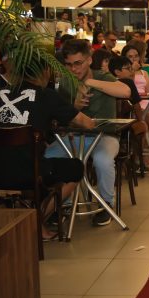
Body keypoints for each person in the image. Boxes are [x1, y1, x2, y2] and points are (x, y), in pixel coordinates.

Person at [0, 61, 93, 239]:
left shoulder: (1, 93)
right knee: (75, 168)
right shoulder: (46, 95)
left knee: (39, 162)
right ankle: (36, 221)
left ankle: (23, 219)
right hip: (29, 171)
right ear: (44, 72)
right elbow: (86, 123)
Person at [46, 39, 131, 226]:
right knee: (48, 157)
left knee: (103, 160)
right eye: (69, 64)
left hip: (105, 135)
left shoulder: (103, 76)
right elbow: (58, 116)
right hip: (73, 136)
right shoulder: (64, 82)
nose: (74, 69)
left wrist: (90, 82)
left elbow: (126, 91)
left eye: (78, 63)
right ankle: (62, 204)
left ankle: (106, 204)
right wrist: (74, 107)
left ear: (89, 60)